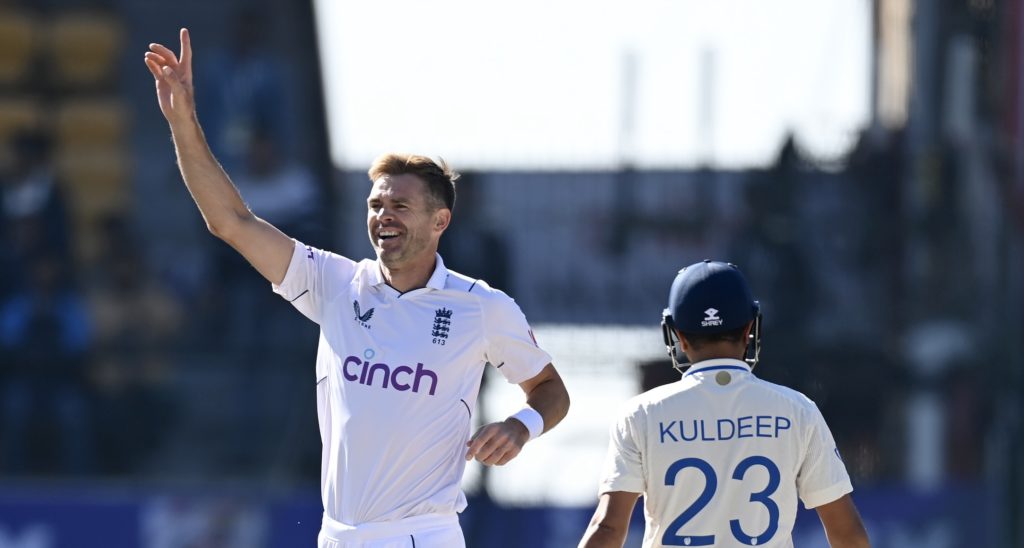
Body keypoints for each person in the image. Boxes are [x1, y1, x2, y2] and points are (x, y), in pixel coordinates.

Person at [143, 29, 570, 547]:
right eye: (375, 206)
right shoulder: (336, 283)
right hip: (338, 535)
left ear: (440, 220)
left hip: (421, 535)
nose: (383, 217)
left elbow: (551, 390)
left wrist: (522, 425)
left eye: (400, 207)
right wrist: (183, 121)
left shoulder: (480, 307)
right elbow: (230, 221)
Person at [578, 261, 870, 548]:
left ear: (678, 336)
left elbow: (607, 529)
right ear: (748, 330)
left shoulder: (641, 415)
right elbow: (847, 534)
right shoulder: (797, 410)